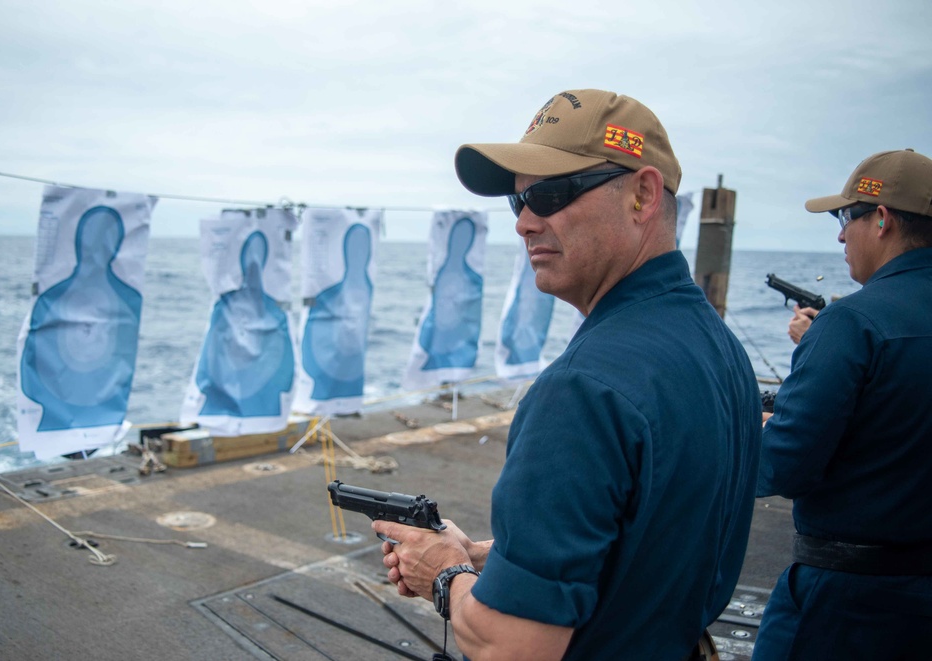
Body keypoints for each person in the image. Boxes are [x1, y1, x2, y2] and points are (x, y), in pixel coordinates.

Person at [373, 89, 762, 660]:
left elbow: (514, 647)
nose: (526, 223)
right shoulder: (718, 347)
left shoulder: (582, 390)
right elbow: (642, 547)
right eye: (518, 202)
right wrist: (486, 559)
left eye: (551, 193)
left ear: (643, 195)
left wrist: (444, 572)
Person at [754, 148, 932, 660]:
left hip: (848, 603)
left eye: (844, 216)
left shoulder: (850, 324)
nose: (838, 234)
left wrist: (759, 427)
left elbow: (781, 467)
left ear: (881, 219)